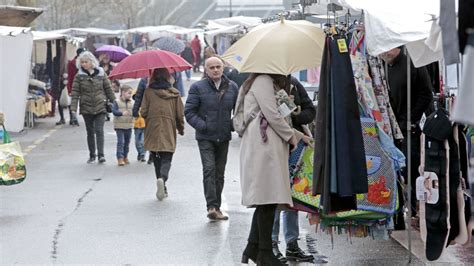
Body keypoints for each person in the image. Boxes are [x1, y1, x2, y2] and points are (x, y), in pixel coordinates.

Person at [238, 73, 309, 265]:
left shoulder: (268, 82)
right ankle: (264, 253)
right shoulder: (263, 81)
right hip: (263, 147)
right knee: (267, 199)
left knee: (266, 200)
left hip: (268, 145)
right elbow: (271, 114)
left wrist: (297, 134)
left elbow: (279, 115)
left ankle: (253, 248)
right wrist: (291, 136)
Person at [380, 46, 433, 229]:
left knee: (412, 168)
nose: (384, 53)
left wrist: (411, 119)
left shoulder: (413, 63)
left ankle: (417, 211)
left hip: (411, 127)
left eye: (388, 49)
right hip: (394, 128)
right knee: (397, 169)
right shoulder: (383, 66)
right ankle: (400, 212)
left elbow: (427, 94)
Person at [184, 57, 238, 220]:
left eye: (218, 67)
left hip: (224, 136)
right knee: (209, 169)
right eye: (211, 67)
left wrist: (232, 125)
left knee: (219, 174)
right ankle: (212, 207)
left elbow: (239, 110)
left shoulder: (232, 87)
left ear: (223, 68)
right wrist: (203, 125)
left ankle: (217, 207)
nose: (215, 70)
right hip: (205, 137)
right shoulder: (197, 87)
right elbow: (189, 112)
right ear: (206, 70)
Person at [271, 77, 316, 263]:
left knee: (293, 196)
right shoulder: (265, 85)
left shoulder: (294, 84)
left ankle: (292, 244)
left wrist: (293, 112)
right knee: (274, 196)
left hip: (296, 147)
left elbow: (310, 111)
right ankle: (271, 243)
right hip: (274, 146)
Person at [141, 68, 185, 201]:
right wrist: (181, 128)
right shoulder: (175, 94)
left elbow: (143, 112)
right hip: (168, 126)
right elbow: (179, 114)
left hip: (152, 127)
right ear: (168, 77)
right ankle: (163, 179)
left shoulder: (148, 92)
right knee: (167, 157)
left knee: (156, 158)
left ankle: (162, 185)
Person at [70, 51, 116, 164]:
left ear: (92, 62)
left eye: (86, 62)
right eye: (82, 62)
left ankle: (101, 155)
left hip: (100, 105)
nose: (84, 64)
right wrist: (73, 108)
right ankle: (92, 155)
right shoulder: (79, 76)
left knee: (99, 130)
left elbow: (108, 88)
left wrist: (114, 102)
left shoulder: (101, 73)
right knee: (90, 132)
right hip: (86, 107)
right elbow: (75, 92)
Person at [59, 48, 84, 126]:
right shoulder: (72, 63)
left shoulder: (85, 63)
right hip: (75, 85)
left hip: (83, 86)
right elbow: (70, 77)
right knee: (73, 103)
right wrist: (69, 89)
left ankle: (74, 118)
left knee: (82, 103)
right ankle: (73, 118)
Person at [112, 85, 134, 166]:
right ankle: (120, 158)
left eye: (131, 93)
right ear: (123, 93)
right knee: (121, 142)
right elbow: (114, 111)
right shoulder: (116, 102)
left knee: (127, 142)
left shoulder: (132, 102)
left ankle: (125, 156)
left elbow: (134, 112)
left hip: (129, 125)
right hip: (119, 126)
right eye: (129, 93)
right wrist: (121, 113)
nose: (130, 95)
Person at [133, 89, 147, 162]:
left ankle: (142, 154)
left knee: (143, 140)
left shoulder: (146, 105)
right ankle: (140, 152)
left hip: (145, 125)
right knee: (137, 141)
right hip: (137, 126)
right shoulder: (135, 106)